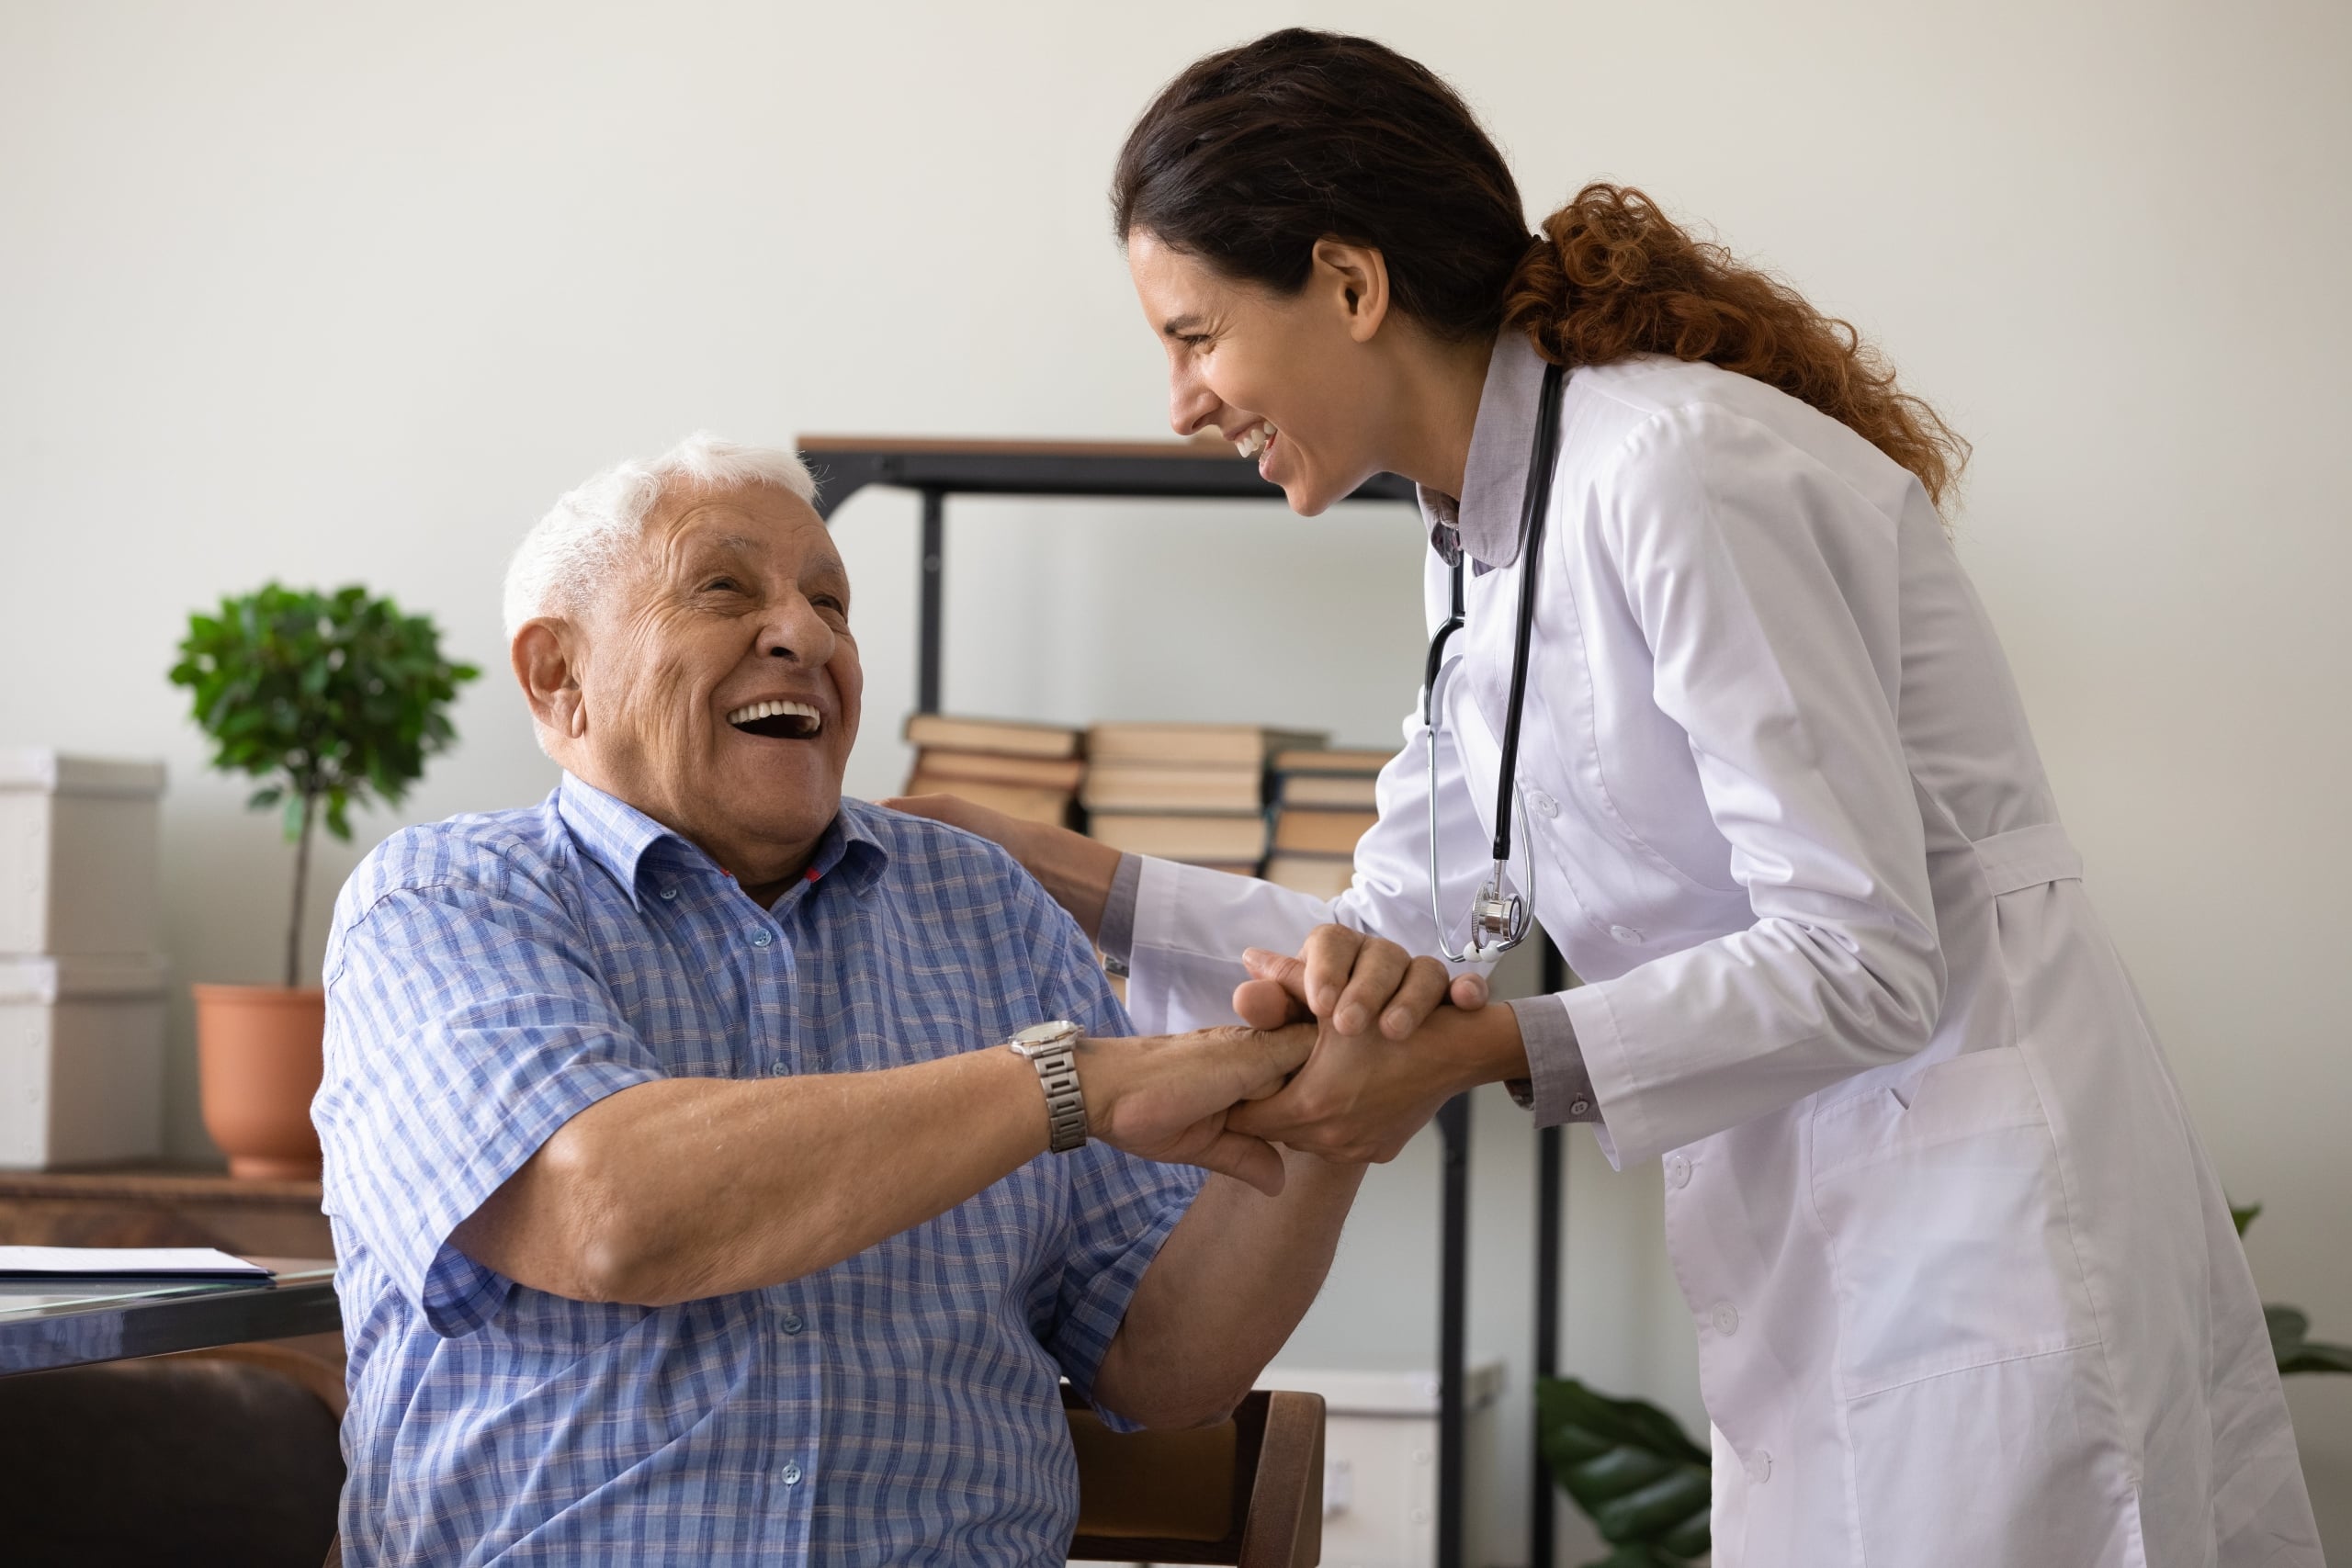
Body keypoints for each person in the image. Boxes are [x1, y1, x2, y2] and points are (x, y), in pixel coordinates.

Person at [889, 28, 2321, 1566]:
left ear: (1351, 285)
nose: (1181, 401)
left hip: (1973, 1213)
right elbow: (1391, 928)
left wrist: (1470, 1054)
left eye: (1194, 335)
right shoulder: (1477, 534)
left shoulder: (1669, 471)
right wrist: (1055, 868)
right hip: (1825, 1219)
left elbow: (1865, 952)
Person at [311, 434, 1368, 1564]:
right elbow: (613, 1213)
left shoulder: (988, 908)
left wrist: (1336, 1106)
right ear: (557, 676)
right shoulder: (443, 903)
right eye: (723, 587)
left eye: (833, 602)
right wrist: (1066, 1082)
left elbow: (1161, 1367)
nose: (806, 635)